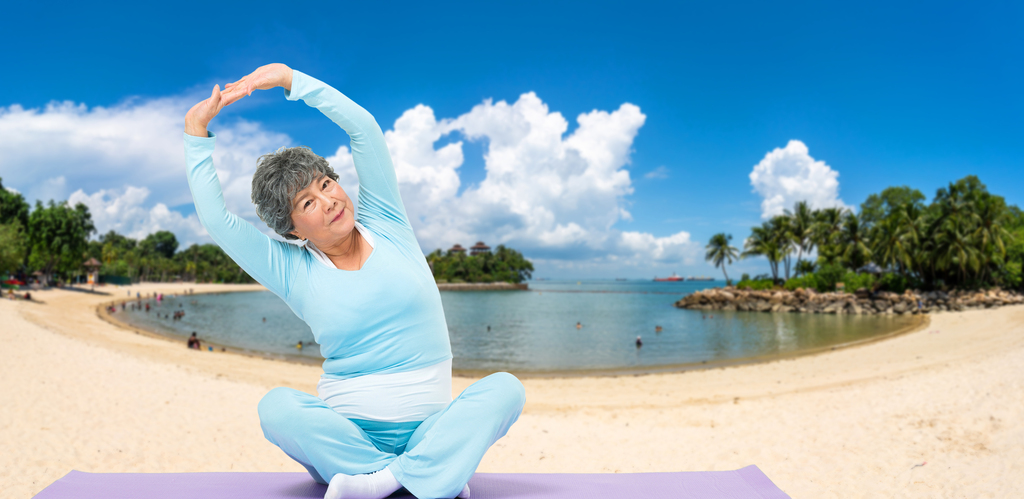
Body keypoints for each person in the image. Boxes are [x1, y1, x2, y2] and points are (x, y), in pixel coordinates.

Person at [184, 63, 524, 499]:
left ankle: (385, 481)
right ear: (291, 231)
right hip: (347, 440)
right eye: (308, 201)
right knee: (276, 408)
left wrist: (291, 80)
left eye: (327, 184)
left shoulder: (387, 221)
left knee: (505, 390)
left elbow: (364, 129)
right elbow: (218, 221)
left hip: (429, 430)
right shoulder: (290, 269)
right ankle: (428, 476)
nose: (329, 201)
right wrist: (196, 131)